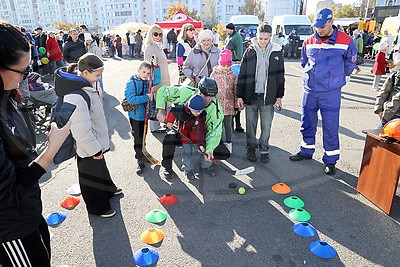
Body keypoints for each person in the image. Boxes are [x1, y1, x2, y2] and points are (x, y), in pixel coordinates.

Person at [0, 21, 71, 267]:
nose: (26, 77)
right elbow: (8, 194)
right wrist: (51, 150)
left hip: (27, 211)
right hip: (10, 227)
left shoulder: (8, 94)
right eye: (22, 70)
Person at [289, 8, 357, 175]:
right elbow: (304, 61)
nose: (319, 30)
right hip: (310, 90)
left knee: (330, 126)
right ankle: (306, 151)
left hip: (330, 92)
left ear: (331, 22)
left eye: (322, 26)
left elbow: (350, 63)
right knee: (307, 122)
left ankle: (331, 159)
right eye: (317, 26)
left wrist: (339, 79)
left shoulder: (347, 41)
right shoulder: (309, 41)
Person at [54, 53, 121, 217]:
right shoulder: (76, 95)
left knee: (99, 169)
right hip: (87, 144)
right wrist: (94, 149)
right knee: (90, 177)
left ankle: (108, 190)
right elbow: (80, 129)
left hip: (93, 140)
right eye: (97, 75)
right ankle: (98, 207)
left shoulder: (83, 87)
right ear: (85, 73)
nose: (98, 79)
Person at [156, 78, 230, 180]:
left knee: (223, 153)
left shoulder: (215, 109)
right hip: (182, 130)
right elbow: (163, 91)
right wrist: (161, 110)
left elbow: (214, 132)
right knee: (168, 140)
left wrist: (209, 149)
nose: (208, 100)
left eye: (211, 96)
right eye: (205, 95)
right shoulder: (185, 92)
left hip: (200, 133)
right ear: (199, 91)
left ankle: (206, 164)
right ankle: (167, 167)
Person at [236, 22, 285, 163]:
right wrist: (239, 95)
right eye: (260, 38)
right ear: (256, 37)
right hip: (251, 95)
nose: (262, 41)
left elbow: (280, 76)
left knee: (266, 126)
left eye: (265, 39)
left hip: (268, 97)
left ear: (270, 37)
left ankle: (264, 149)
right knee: (251, 126)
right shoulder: (250, 51)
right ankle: (251, 149)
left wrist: (279, 97)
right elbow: (242, 75)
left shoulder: (276, 52)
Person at [124, 60, 161, 174]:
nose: (146, 75)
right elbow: (131, 99)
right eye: (144, 72)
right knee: (138, 138)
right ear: (138, 70)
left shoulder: (147, 81)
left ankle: (143, 152)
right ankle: (139, 158)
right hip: (136, 116)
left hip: (145, 114)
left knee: (143, 136)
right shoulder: (132, 83)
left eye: (148, 73)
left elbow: (157, 80)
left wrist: (156, 66)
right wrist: (146, 97)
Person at [165, 95, 207, 180]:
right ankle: (188, 169)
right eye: (195, 111)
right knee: (187, 153)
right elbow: (172, 112)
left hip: (196, 136)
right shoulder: (181, 109)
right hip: (184, 136)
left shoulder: (201, 115)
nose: (197, 114)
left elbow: (201, 129)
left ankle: (205, 165)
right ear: (189, 107)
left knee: (201, 150)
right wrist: (170, 121)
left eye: (199, 111)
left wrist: (201, 143)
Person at [143, 24, 171, 133]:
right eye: (155, 34)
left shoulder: (157, 46)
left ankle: (160, 123)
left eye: (160, 34)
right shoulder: (150, 47)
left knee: (161, 101)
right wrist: (152, 83)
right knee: (156, 102)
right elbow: (148, 66)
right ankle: (155, 126)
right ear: (151, 34)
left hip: (163, 77)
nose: (158, 37)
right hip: (157, 79)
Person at [210, 49, 237, 153]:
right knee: (218, 125)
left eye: (228, 66)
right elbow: (211, 90)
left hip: (229, 105)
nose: (226, 68)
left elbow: (235, 90)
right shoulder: (214, 75)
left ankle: (229, 142)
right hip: (217, 105)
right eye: (224, 66)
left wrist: (236, 104)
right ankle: (219, 143)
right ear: (220, 64)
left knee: (228, 125)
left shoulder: (233, 76)